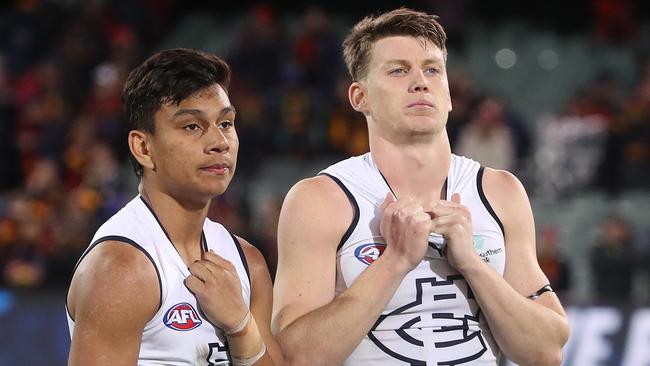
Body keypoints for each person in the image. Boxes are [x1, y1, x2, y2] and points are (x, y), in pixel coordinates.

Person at [272, 9, 569, 366]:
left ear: (449, 93)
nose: (420, 82)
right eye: (398, 70)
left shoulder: (500, 191)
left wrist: (473, 265)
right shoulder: (321, 199)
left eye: (432, 69)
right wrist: (395, 261)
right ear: (358, 97)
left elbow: (547, 352)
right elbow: (297, 356)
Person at [66, 48, 281, 366]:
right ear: (143, 147)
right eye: (192, 126)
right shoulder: (121, 269)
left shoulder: (250, 263)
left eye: (226, 123)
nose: (219, 141)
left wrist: (241, 326)